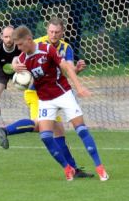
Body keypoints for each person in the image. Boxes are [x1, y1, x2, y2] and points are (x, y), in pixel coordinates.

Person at [11, 24, 109, 181]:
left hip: (63, 94)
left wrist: (79, 87)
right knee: (45, 137)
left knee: (81, 130)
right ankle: (67, 168)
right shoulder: (22, 58)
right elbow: (16, 60)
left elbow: (67, 68)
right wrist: (14, 65)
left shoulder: (48, 49)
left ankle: (100, 167)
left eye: (20, 45)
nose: (18, 48)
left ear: (29, 40)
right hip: (44, 100)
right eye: (51, 31)